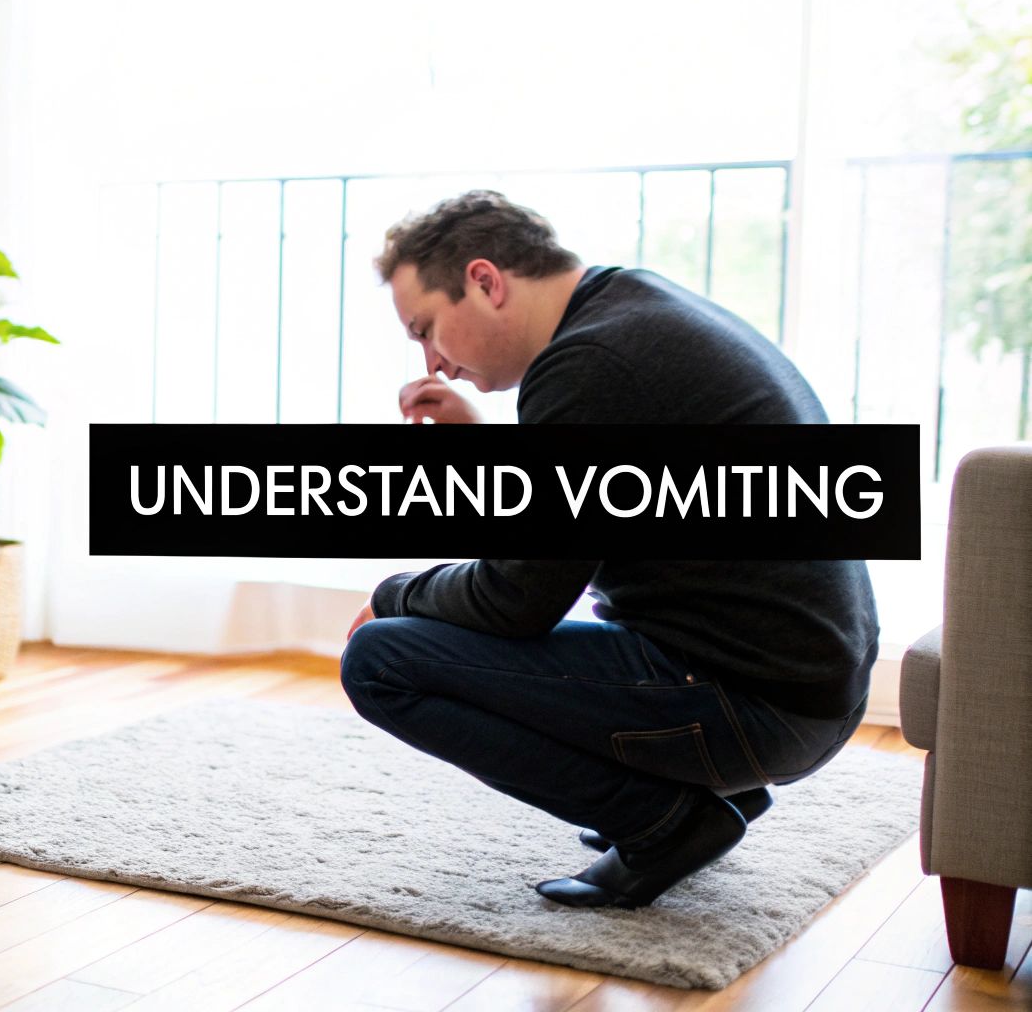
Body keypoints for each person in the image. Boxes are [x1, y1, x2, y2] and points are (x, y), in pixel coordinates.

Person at [340, 190, 879, 908]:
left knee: (384, 662)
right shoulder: (631, 312)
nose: (432, 363)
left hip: (758, 707)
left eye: (428, 328)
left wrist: (391, 595)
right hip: (805, 692)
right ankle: (699, 790)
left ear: (485, 282)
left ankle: (665, 820)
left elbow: (516, 600)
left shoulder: (588, 366)